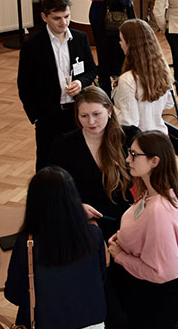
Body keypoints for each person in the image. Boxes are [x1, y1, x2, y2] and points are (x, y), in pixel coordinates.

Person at [4, 166, 107, 329]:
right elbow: (101, 278)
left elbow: (13, 294)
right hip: (92, 322)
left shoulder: (28, 244)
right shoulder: (94, 234)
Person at [107, 131, 178, 328]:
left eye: (134, 155)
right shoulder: (155, 192)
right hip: (148, 292)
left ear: (154, 161)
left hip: (154, 298)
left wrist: (120, 255)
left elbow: (160, 273)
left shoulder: (158, 211)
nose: (128, 159)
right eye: (130, 152)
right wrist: (124, 238)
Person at [43, 86, 136, 241]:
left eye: (96, 114)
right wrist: (75, 206)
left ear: (109, 111)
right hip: (85, 223)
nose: (91, 121)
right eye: (84, 116)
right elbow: (51, 187)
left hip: (126, 220)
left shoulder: (129, 137)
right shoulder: (64, 144)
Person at [17, 0, 97, 172]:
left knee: (78, 161)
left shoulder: (80, 38)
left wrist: (80, 83)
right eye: (57, 18)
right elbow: (24, 85)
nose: (64, 22)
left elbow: (91, 70)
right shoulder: (32, 46)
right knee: (47, 162)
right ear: (44, 17)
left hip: (77, 112)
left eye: (67, 16)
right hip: (49, 115)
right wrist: (36, 115)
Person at [114, 19, 174, 134]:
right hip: (161, 135)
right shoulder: (163, 67)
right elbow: (169, 103)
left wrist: (110, 110)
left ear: (130, 45)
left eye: (121, 40)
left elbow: (129, 122)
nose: (120, 43)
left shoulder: (127, 79)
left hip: (140, 140)